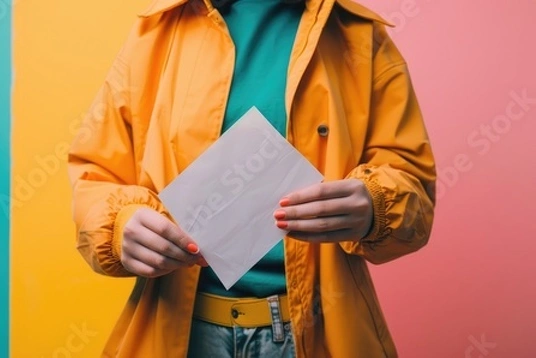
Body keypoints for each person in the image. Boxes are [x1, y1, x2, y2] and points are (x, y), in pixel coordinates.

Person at [68, 0, 436, 355]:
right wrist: (119, 226)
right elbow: (95, 173)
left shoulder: (360, 37)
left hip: (318, 329)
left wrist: (376, 207)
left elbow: (414, 186)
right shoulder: (154, 34)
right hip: (181, 329)